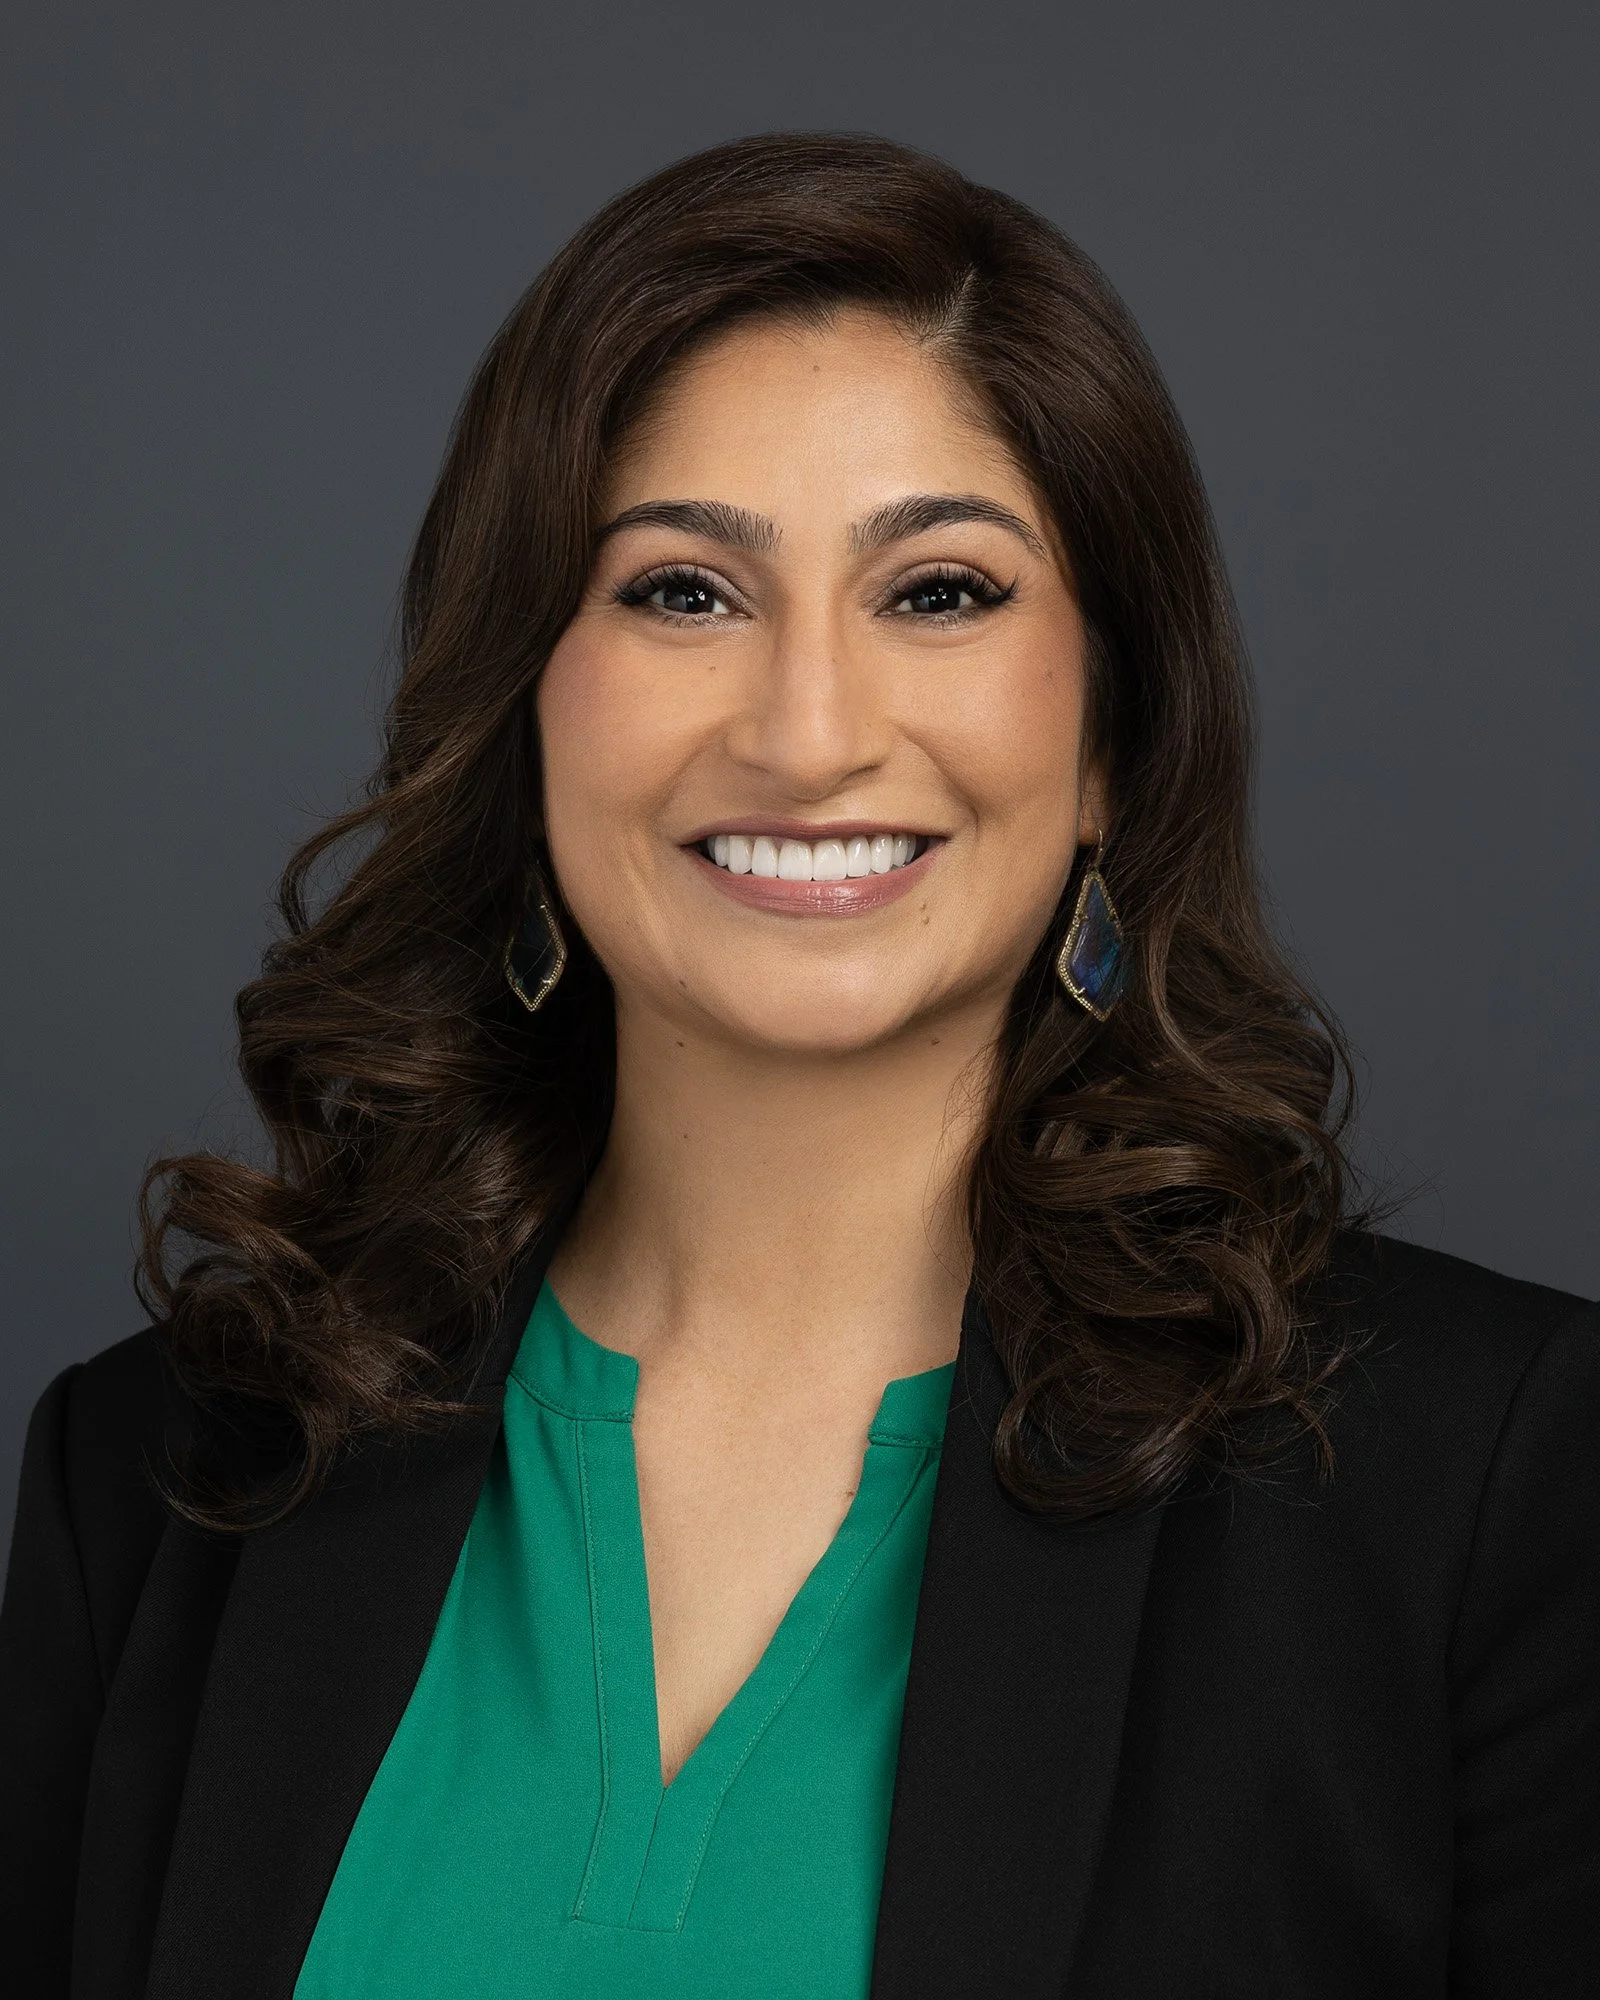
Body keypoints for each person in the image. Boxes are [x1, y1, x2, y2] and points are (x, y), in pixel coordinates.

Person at [2, 132, 1595, 2000]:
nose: (809, 732)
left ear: (1110, 738)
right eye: (684, 591)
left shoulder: (1482, 1488)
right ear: (519, 706)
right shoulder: (162, 1477)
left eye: (940, 591)